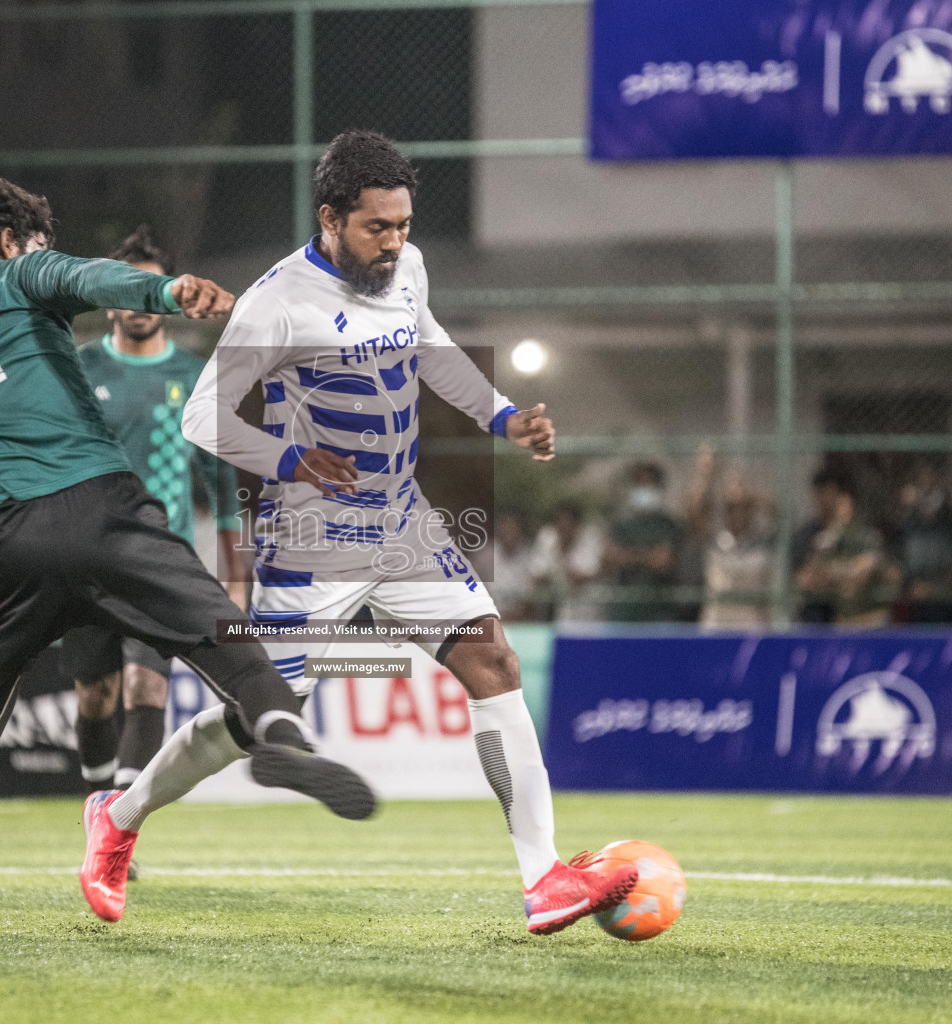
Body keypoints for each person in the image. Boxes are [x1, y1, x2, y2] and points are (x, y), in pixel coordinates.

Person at [82, 131, 638, 936]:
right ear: (332, 219)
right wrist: (292, 458)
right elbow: (204, 417)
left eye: (404, 224)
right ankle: (120, 816)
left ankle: (543, 876)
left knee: (491, 655)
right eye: (378, 227)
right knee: (259, 715)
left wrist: (504, 417)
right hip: (311, 538)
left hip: (401, 519)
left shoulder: (404, 268)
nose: (396, 242)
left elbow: (432, 345)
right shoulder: (277, 301)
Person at [0, 178, 375, 947]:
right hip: (101, 511)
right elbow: (92, 277)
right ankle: (282, 742)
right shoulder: (20, 273)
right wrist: (168, 289)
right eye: (32, 242)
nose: (38, 253)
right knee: (231, 644)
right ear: (6, 243)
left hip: (5, 543)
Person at [58, 226, 247, 802]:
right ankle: (95, 804)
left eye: (153, 286)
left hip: (163, 556)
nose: (140, 300)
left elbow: (221, 476)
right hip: (87, 555)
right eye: (130, 287)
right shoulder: (78, 368)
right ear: (110, 295)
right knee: (96, 696)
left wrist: (237, 573)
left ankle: (116, 829)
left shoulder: (193, 375)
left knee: (147, 689)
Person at [791, 466, 896, 626]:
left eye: (846, 507)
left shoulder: (867, 537)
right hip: (823, 620)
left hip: (866, 618)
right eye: (820, 493)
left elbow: (879, 574)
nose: (842, 513)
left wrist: (846, 573)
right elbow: (806, 581)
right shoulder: (816, 537)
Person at [684, 446, 771, 628]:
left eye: (743, 507)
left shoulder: (763, 541)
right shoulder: (714, 540)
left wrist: (746, 492)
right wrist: (706, 475)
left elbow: (781, 516)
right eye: (731, 508)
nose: (737, 514)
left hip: (753, 628)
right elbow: (693, 513)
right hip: (717, 627)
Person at [894, 461, 952, 623]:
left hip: (951, 611)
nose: (927, 487)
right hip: (915, 612)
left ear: (940, 482)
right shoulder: (907, 523)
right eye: (922, 482)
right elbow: (895, 564)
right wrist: (910, 586)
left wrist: (933, 589)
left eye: (931, 481)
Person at [603, 461, 684, 622]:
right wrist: (648, 556)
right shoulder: (620, 523)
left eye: (651, 483)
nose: (646, 488)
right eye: (641, 483)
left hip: (660, 611)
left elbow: (664, 561)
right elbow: (611, 558)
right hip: (623, 611)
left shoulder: (668, 525)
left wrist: (629, 555)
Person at [529, 503, 603, 624]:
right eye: (559, 523)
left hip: (586, 610)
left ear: (577, 525)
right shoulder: (547, 537)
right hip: (555, 610)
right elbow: (537, 576)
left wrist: (561, 554)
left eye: (567, 524)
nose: (563, 528)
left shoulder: (590, 538)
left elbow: (580, 580)